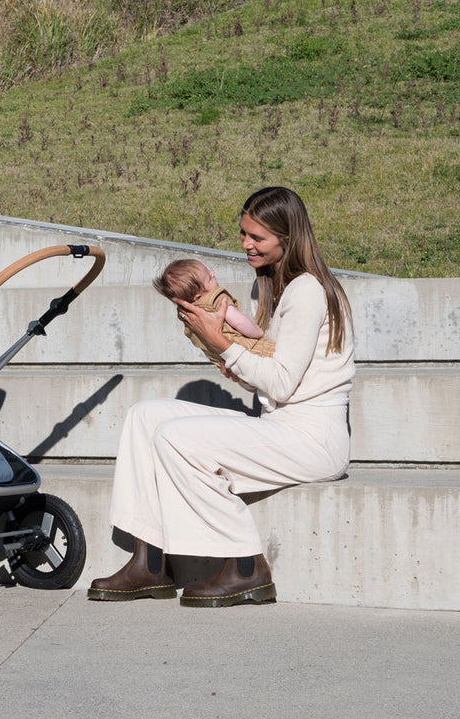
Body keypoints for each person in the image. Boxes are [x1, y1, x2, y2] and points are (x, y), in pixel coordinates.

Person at [88, 186, 354, 607]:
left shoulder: (308, 291)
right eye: (243, 233)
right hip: (278, 427)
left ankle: (245, 566)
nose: (246, 244)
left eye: (257, 238)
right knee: (145, 416)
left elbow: (282, 384)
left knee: (175, 437)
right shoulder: (265, 288)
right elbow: (262, 377)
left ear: (288, 237)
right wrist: (216, 347)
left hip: (313, 439)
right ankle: (150, 561)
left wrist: (222, 341)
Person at [153, 258, 275, 366]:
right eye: (209, 278)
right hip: (254, 350)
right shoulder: (216, 299)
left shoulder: (188, 314)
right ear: (197, 295)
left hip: (226, 361)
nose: (212, 273)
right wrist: (257, 332)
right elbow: (239, 322)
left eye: (209, 272)